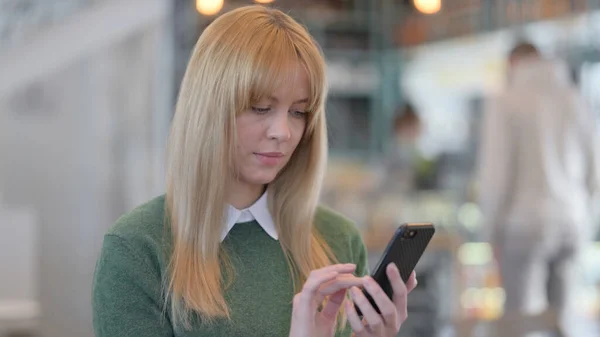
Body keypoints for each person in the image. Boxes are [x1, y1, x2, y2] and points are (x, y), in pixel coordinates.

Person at [92, 5, 417, 337]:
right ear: (208, 109)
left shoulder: (339, 240)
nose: (283, 131)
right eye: (260, 108)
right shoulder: (137, 249)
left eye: (299, 112)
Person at [477, 41, 599, 336]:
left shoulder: (506, 100)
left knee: (519, 320)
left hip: (523, 224)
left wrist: (489, 232)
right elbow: (595, 168)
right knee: (563, 319)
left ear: (514, 63)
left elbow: (496, 174)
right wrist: (589, 220)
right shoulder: (574, 98)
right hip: (572, 220)